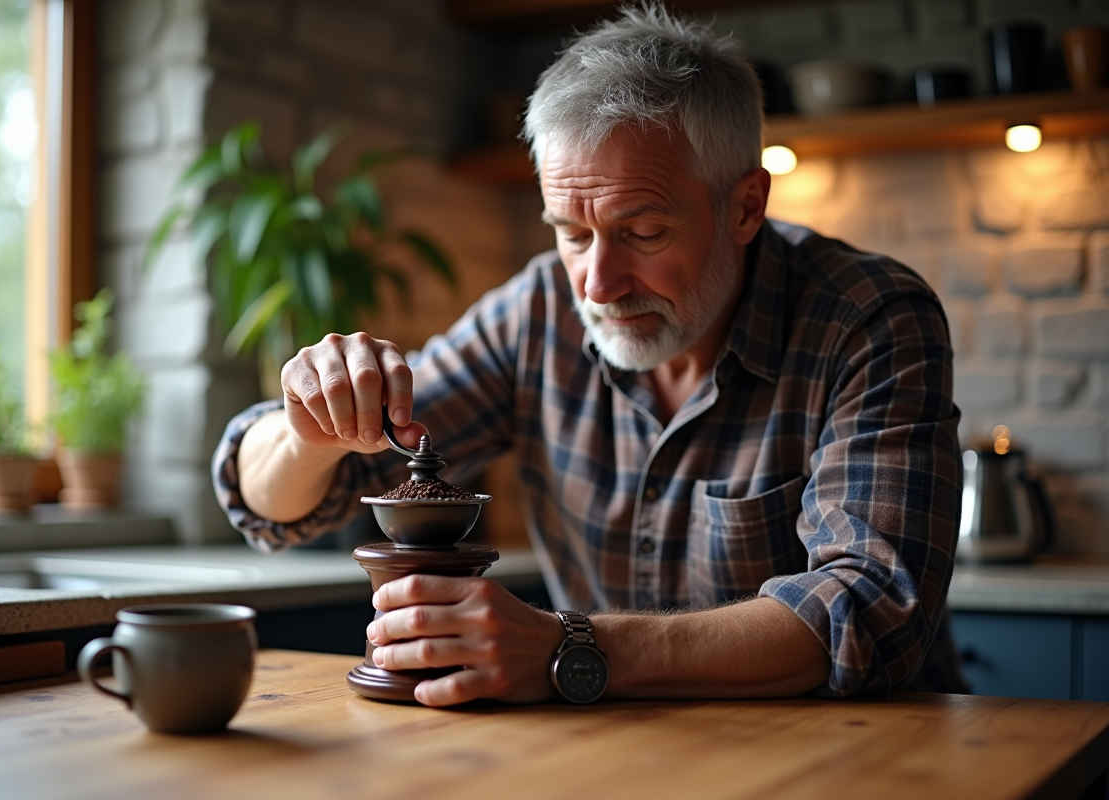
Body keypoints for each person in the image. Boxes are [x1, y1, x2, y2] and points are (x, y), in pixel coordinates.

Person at [212, 4, 967, 707]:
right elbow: (282, 508)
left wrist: (566, 646)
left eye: (642, 233)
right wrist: (305, 430)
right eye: (571, 232)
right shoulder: (536, 313)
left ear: (743, 207)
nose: (597, 284)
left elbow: (869, 611)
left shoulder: (868, 319)